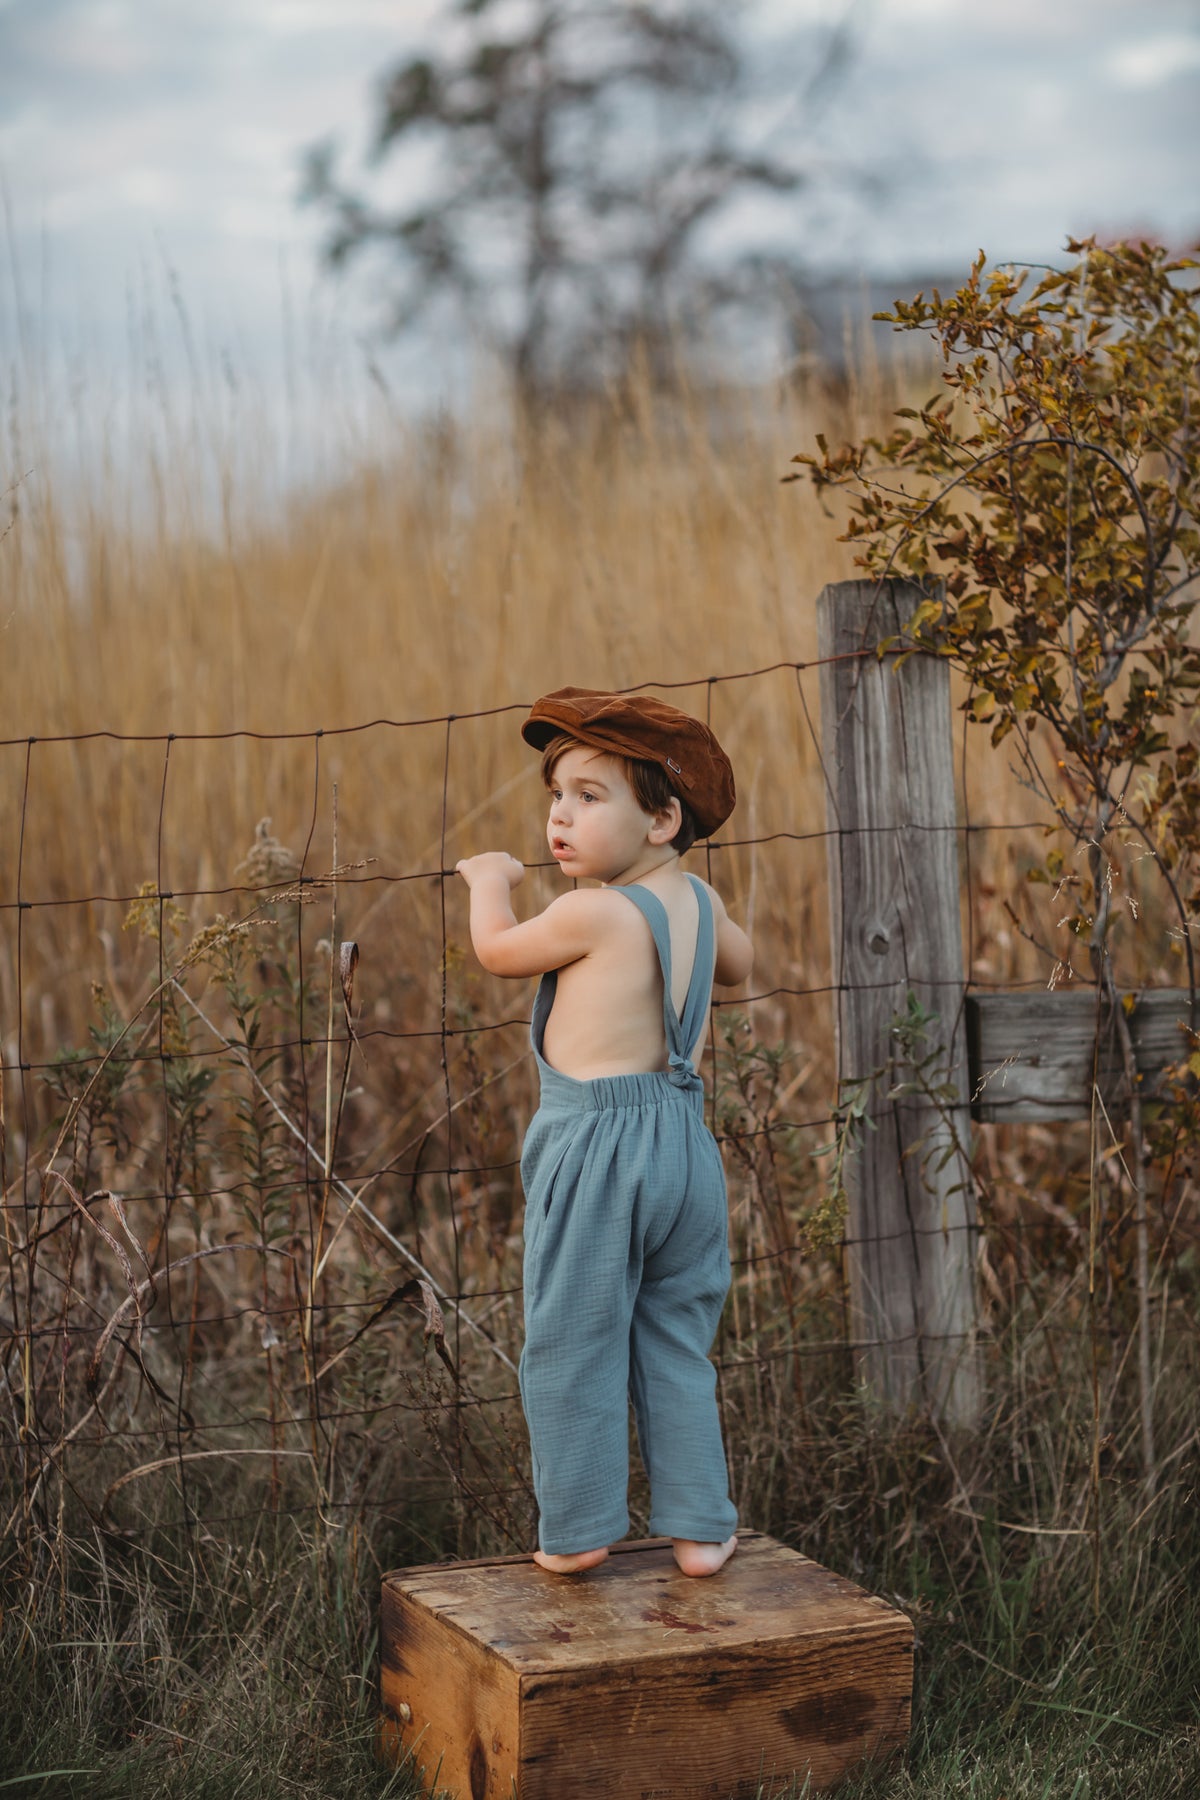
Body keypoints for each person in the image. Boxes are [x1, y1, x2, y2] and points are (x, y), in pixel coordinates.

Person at [456, 687, 753, 1578]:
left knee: (573, 1339)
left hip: (597, 1151)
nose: (561, 817)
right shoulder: (695, 900)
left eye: (591, 798)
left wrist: (487, 883)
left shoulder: (589, 913)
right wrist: (708, 918)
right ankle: (702, 1529)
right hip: (684, 1147)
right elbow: (741, 963)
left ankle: (579, 1530)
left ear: (662, 820)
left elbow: (499, 953)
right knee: (674, 1337)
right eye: (557, 795)